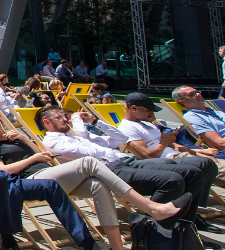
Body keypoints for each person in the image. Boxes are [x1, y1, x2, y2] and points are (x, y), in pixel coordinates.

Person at [0, 109, 187, 250]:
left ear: (0, 121)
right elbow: (2, 171)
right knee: (89, 163)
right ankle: (149, 207)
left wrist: (24, 139)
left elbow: (45, 155)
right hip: (31, 181)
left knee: (97, 184)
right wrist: (33, 159)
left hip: (51, 174)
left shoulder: (15, 138)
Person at [39, 104, 220, 242]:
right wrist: (81, 128)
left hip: (127, 161)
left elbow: (121, 139)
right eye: (59, 117)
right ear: (47, 122)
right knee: (174, 179)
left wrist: (94, 122)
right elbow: (90, 154)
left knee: (199, 167)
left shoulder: (76, 136)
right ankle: (151, 231)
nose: (65, 119)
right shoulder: (54, 142)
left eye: (65, 116)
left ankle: (185, 224)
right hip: (112, 170)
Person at [175, 85, 225, 176]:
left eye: (198, 92)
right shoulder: (193, 116)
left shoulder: (216, 112)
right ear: (183, 101)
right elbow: (220, 143)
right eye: (192, 94)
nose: (198, 94)